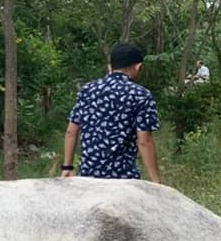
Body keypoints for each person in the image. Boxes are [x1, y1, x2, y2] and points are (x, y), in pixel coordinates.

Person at [62, 42, 161, 184]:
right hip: (123, 179)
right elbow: (144, 141)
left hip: (88, 177)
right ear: (138, 66)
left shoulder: (87, 90)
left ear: (110, 67)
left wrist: (67, 166)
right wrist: (155, 180)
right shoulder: (141, 95)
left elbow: (71, 131)